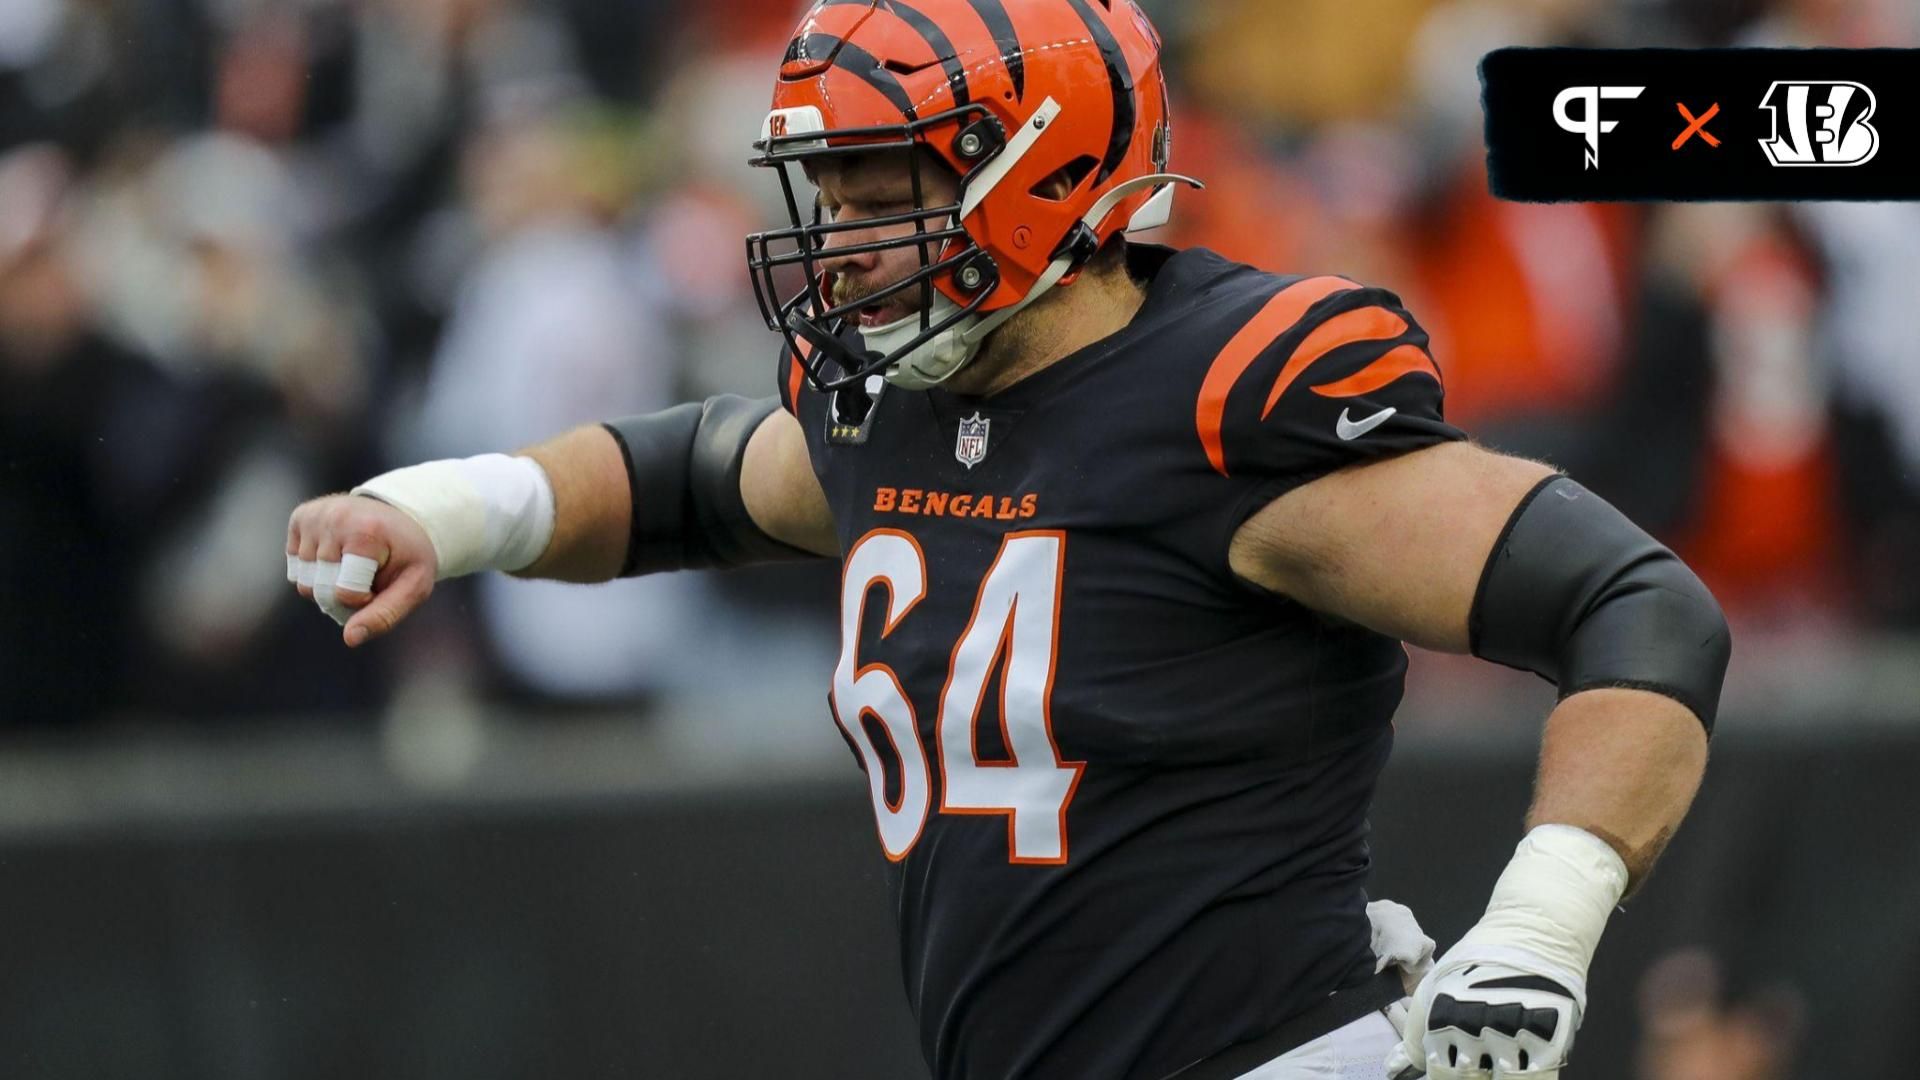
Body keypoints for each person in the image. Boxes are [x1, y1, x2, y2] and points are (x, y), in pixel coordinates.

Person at [285, 2, 1730, 1077]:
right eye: (828, 193)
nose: (838, 240)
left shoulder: (1224, 401)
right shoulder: (893, 409)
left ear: (1035, 169)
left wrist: (1539, 927)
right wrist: (446, 508)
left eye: (879, 190)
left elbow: (1636, 606)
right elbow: (689, 478)